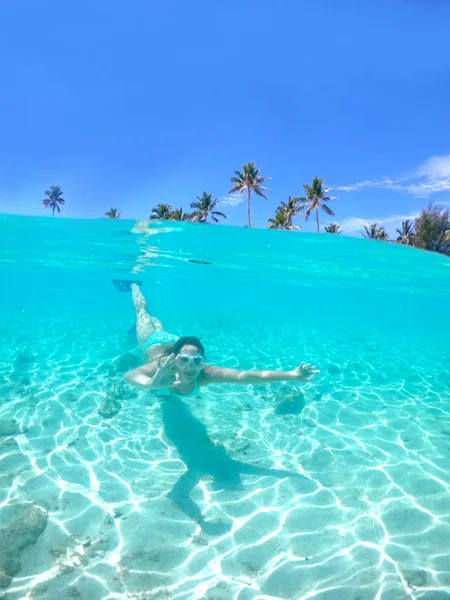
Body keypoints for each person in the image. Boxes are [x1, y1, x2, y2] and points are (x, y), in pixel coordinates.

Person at [114, 281, 319, 396]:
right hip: (153, 343)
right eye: (184, 360)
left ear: (203, 361)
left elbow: (245, 376)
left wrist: (293, 375)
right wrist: (154, 381)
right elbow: (130, 376)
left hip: (173, 340)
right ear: (176, 359)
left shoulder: (206, 373)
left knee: (157, 323)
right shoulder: (163, 365)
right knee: (142, 313)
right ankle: (134, 285)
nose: (191, 367)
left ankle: (157, 323)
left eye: (197, 361)